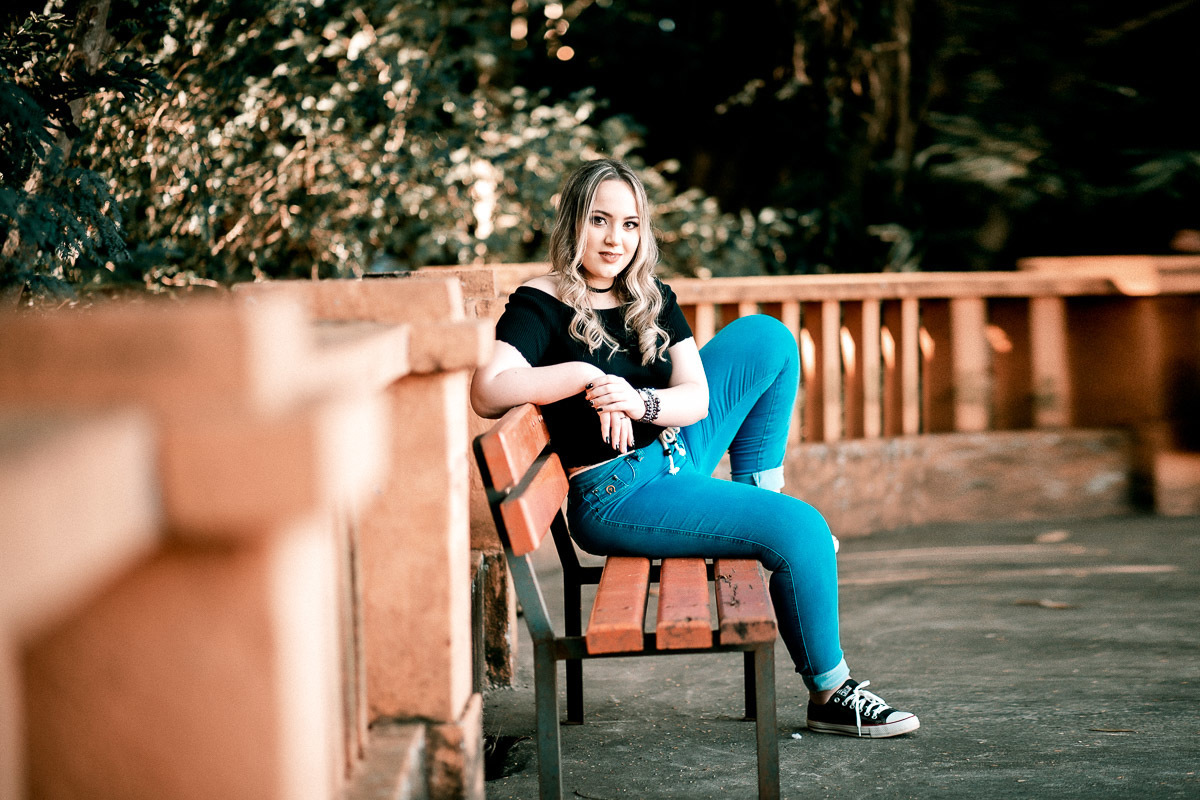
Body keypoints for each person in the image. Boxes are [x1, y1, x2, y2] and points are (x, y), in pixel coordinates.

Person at [470, 158, 919, 739]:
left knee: (767, 338)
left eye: (630, 224)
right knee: (805, 530)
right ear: (573, 222)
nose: (614, 240)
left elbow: (697, 399)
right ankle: (831, 694)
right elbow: (488, 391)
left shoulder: (649, 295)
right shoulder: (542, 302)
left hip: (676, 451)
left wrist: (637, 402)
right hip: (619, 495)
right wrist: (585, 376)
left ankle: (762, 502)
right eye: (599, 220)